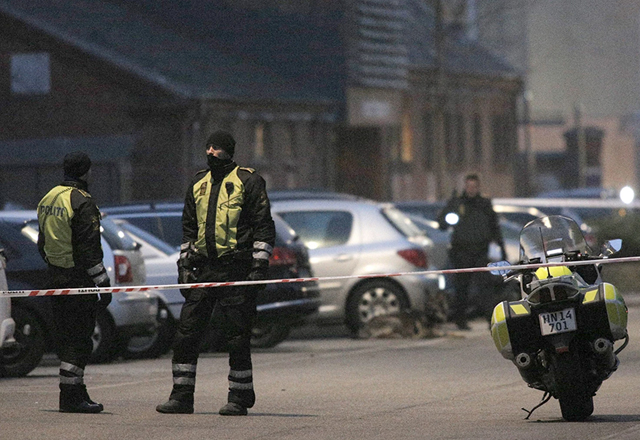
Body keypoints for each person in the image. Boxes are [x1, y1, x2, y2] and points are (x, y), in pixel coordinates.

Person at [156, 130, 276, 416]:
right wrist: (184, 266)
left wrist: (258, 268)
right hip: (203, 268)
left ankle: (239, 398)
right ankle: (181, 397)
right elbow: (189, 229)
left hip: (236, 268)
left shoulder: (249, 181)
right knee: (186, 334)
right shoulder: (198, 183)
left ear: (229, 151)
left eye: (217, 147)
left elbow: (263, 227)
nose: (210, 151)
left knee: (237, 336)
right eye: (208, 147)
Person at [37, 151, 112, 413]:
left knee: (67, 337)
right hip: (77, 280)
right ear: (86, 171)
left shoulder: (48, 197)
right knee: (80, 339)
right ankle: (71, 397)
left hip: (55, 277)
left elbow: (42, 242)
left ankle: (74, 392)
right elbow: (89, 249)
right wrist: (103, 283)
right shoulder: (82, 201)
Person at [437, 173, 505, 330]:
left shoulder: (484, 204)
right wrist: (449, 214)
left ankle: (491, 320)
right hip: (462, 252)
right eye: (469, 186)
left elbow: (494, 227)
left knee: (485, 288)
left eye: (474, 186)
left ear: (478, 187)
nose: (471, 189)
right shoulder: (457, 203)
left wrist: (502, 249)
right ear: (465, 186)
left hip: (480, 252)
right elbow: (442, 224)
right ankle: (460, 320)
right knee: (462, 288)